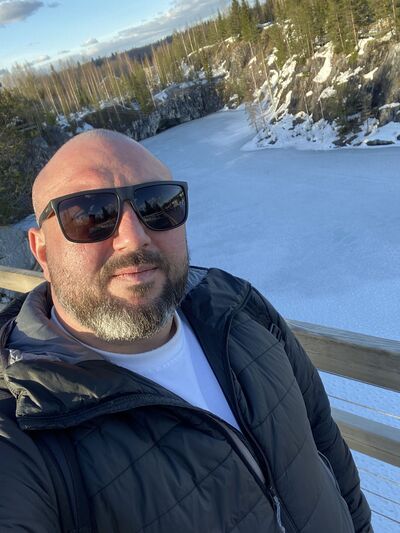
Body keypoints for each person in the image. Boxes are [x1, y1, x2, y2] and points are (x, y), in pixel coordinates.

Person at [0, 129, 372, 533]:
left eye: (157, 204)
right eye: (92, 215)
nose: (134, 238)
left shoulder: (237, 307)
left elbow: (322, 438)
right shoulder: (24, 424)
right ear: (42, 250)